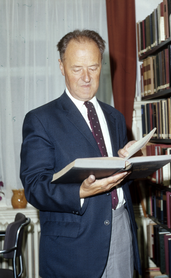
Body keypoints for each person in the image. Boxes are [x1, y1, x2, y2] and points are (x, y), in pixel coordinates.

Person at [20, 29, 141, 278]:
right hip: (73, 250)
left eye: (93, 67)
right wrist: (80, 192)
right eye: (77, 69)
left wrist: (126, 163)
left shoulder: (115, 117)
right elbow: (34, 186)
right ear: (62, 67)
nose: (86, 77)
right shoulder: (41, 119)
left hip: (121, 232)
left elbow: (116, 177)